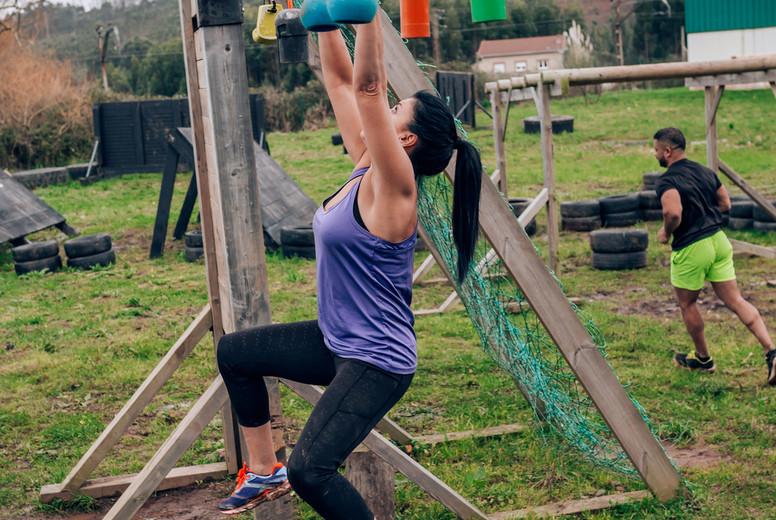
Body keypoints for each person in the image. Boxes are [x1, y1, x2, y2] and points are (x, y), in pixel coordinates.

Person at [215, 14, 483, 519]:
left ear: (406, 141)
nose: (387, 106)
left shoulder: (397, 188)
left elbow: (366, 87)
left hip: (377, 360)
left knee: (311, 470)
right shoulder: (365, 160)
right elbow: (340, 81)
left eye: (397, 108)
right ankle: (262, 469)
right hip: (338, 339)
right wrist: (323, 20)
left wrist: (368, 13)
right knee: (235, 355)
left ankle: (287, 474)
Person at [653, 127, 776, 385]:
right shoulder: (705, 171)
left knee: (688, 304)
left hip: (692, 246)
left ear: (667, 151)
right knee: (736, 300)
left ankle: (703, 359)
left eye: (656, 150)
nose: (655, 155)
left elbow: (673, 212)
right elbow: (726, 203)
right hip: (719, 241)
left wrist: (665, 233)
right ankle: (771, 351)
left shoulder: (666, 180)